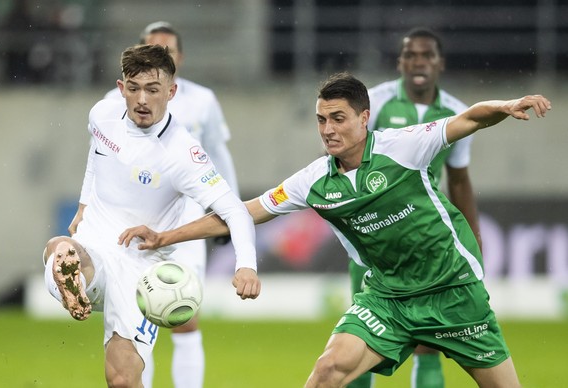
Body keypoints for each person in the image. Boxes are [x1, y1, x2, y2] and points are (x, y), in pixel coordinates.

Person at [119, 72, 551, 387]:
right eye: (321, 119)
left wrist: (507, 107)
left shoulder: (403, 146)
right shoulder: (314, 181)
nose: (328, 129)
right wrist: (165, 236)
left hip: (453, 292)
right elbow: (241, 211)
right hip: (389, 299)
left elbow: (468, 120)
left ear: (365, 118)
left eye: (339, 118)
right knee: (326, 372)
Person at [43, 44, 260, 388]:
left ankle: (71, 274)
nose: (142, 99)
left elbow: (234, 209)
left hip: (140, 270)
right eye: (134, 88)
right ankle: (72, 277)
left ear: (171, 92)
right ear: (120, 88)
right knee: (61, 249)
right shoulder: (101, 115)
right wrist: (85, 202)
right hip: (95, 247)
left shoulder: (183, 153)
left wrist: (246, 263)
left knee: (122, 381)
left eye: (153, 90)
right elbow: (95, 153)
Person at [101, 21, 240, 388]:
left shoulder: (202, 100)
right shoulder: (116, 103)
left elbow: (219, 156)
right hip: (136, 219)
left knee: (181, 313)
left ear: (179, 58)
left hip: (188, 217)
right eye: (153, 48)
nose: (162, 54)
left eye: (169, 50)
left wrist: (228, 210)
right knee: (138, 312)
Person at [347, 27, 481, 388]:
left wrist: (474, 243)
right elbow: (339, 156)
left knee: (428, 341)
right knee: (361, 339)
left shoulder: (455, 112)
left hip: (424, 238)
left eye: (426, 55)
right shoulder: (374, 103)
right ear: (400, 62)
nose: (418, 62)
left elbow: (459, 181)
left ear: (440, 63)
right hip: (375, 236)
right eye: (411, 55)